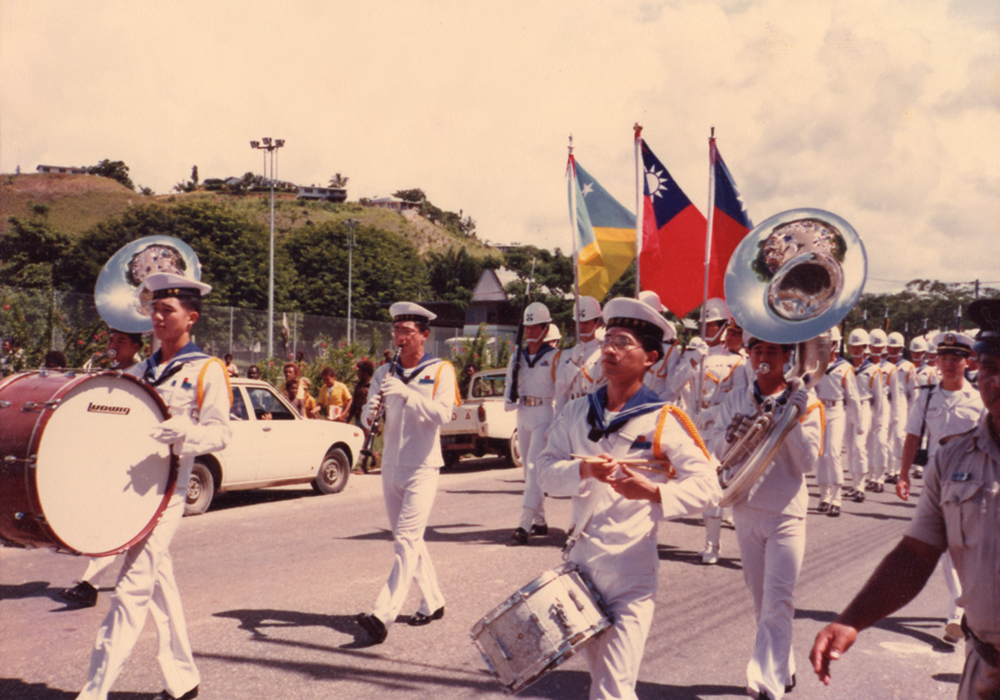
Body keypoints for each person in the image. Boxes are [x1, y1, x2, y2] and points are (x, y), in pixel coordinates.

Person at [810, 299, 1000, 700]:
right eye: (990, 368)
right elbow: (916, 554)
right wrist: (852, 620)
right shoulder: (951, 460)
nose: (995, 382)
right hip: (985, 668)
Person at [536, 297, 721, 700]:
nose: (609, 350)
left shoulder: (663, 418)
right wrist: (582, 470)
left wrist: (653, 492)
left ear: (651, 357)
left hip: (630, 571)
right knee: (605, 684)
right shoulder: (577, 411)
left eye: (623, 342)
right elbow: (545, 473)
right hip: (581, 567)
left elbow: (709, 489)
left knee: (612, 687)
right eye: (608, 340)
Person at [76, 272, 231, 700]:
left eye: (168, 310)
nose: (158, 317)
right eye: (155, 310)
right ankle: (183, 680)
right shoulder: (141, 369)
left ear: (191, 317)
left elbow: (220, 433)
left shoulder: (206, 369)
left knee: (130, 589)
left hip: (167, 494)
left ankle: (94, 691)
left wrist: (186, 432)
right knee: (158, 581)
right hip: (131, 492)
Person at [702, 332, 823, 700]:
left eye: (772, 350)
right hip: (745, 506)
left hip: (786, 511)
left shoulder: (808, 401)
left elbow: (807, 462)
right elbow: (716, 452)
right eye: (757, 350)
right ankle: (782, 666)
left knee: (778, 599)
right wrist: (733, 435)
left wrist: (791, 420)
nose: (764, 356)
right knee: (760, 600)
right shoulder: (736, 397)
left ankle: (765, 682)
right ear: (750, 356)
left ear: (788, 355)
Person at [356, 302, 456, 645]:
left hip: (423, 465)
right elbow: (370, 416)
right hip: (391, 465)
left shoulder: (441, 370)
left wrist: (408, 395)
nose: (399, 337)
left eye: (406, 332)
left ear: (424, 335)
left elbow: (444, 415)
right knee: (409, 540)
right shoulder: (385, 373)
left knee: (406, 541)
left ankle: (382, 614)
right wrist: (369, 416)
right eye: (396, 331)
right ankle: (433, 601)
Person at [896, 330, 983, 643]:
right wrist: (903, 474)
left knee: (966, 545)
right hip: (936, 475)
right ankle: (957, 612)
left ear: (967, 361)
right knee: (945, 547)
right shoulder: (927, 395)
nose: (948, 363)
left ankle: (963, 610)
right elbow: (912, 437)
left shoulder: (978, 398)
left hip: (973, 479)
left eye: (955, 358)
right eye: (943, 357)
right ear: (936, 361)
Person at [61, 329, 146, 609]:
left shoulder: (143, 375)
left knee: (114, 524)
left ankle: (90, 585)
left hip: (134, 463)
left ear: (135, 346)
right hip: (110, 458)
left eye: (120, 341)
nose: (112, 345)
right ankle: (96, 584)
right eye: (110, 340)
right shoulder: (109, 373)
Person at [505, 301, 559, 545]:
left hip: (544, 412)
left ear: (545, 329)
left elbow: (563, 389)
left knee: (534, 467)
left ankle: (524, 524)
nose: (529, 332)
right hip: (523, 411)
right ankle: (540, 519)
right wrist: (509, 398)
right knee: (528, 469)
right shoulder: (519, 355)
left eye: (535, 327)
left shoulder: (556, 357)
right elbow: (509, 380)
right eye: (527, 327)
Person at [813, 327, 862, 517]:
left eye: (830, 344)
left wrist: (858, 423)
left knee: (833, 452)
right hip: (819, 410)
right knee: (820, 454)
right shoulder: (814, 364)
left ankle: (836, 497)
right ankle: (824, 496)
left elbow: (853, 397)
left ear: (836, 345)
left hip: (836, 411)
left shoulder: (844, 368)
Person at [844, 328, 881, 502]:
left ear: (866, 347)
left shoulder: (873, 369)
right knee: (850, 448)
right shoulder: (845, 367)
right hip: (846, 409)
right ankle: (853, 484)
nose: (856, 350)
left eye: (860, 346)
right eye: (853, 346)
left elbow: (879, 397)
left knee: (859, 446)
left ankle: (861, 487)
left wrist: (879, 420)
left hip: (864, 407)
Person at [553, 296, 605, 416]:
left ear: (597, 324)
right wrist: (573, 363)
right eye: (579, 323)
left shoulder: (603, 354)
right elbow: (560, 391)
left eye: (586, 323)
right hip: (571, 411)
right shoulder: (566, 354)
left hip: (594, 411)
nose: (581, 327)